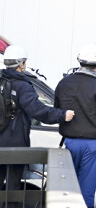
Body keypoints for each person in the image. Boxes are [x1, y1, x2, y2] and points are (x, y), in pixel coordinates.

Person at [0, 45, 74, 193]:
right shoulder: (22, 85)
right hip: (15, 145)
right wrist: (62, 115)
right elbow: (37, 110)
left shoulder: (1, 81)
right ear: (20, 64)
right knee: (12, 188)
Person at [54, 43, 96, 208]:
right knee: (86, 193)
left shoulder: (64, 83)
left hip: (70, 142)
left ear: (79, 61)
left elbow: (57, 111)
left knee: (67, 192)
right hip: (93, 145)